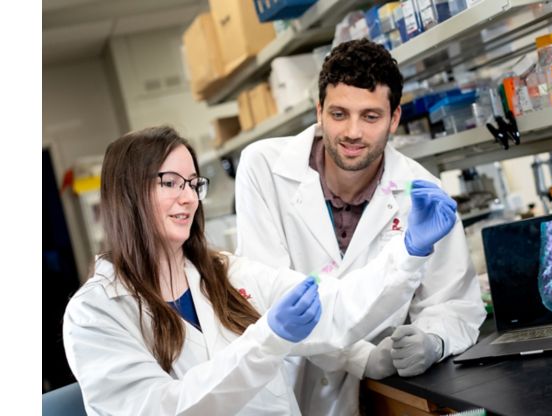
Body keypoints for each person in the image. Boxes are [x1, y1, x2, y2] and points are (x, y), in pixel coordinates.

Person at [62, 126, 460, 415]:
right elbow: (164, 409)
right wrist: (269, 339)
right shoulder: (96, 313)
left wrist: (410, 251)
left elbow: (334, 305)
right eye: (170, 182)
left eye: (193, 183)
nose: (188, 198)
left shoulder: (225, 273)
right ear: (127, 193)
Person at [234, 38, 487, 415]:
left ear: (394, 118)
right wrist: (362, 357)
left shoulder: (424, 192)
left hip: (372, 398)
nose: (352, 132)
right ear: (319, 111)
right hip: (280, 388)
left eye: (370, 116)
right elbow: (268, 300)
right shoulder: (263, 168)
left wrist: (432, 338)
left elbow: (454, 302)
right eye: (339, 114)